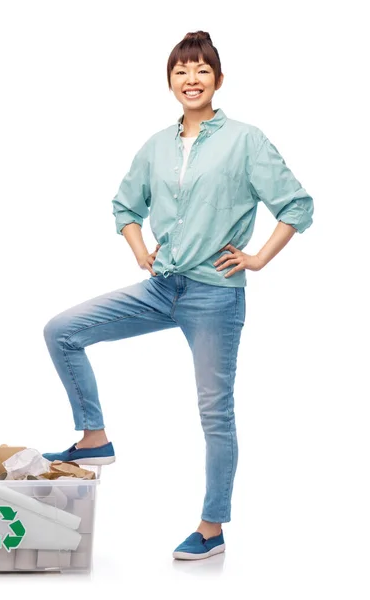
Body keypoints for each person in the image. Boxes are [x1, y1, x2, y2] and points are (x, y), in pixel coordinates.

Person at [42, 31, 314, 560]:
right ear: (170, 82)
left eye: (201, 70)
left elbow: (297, 206)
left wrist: (257, 258)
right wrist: (139, 248)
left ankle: (211, 530)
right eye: (181, 72)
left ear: (218, 79)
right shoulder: (157, 147)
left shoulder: (246, 141)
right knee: (62, 330)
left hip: (215, 296)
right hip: (161, 286)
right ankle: (94, 436)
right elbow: (125, 206)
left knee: (216, 414)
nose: (192, 80)